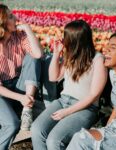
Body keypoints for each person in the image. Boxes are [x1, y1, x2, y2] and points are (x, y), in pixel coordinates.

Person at [31, 19, 107, 150]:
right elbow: (53, 77)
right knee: (37, 130)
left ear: (75, 40)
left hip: (86, 107)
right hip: (63, 101)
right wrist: (56, 54)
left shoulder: (98, 59)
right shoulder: (71, 56)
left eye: (66, 36)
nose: (63, 39)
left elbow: (94, 95)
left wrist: (67, 112)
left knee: (54, 140)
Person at [0, 4, 43, 150]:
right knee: (11, 124)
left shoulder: (19, 36)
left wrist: (29, 31)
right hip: (2, 92)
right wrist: (20, 98)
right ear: (3, 23)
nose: (16, 18)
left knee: (31, 58)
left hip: (19, 85)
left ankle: (27, 110)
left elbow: (38, 55)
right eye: (11, 17)